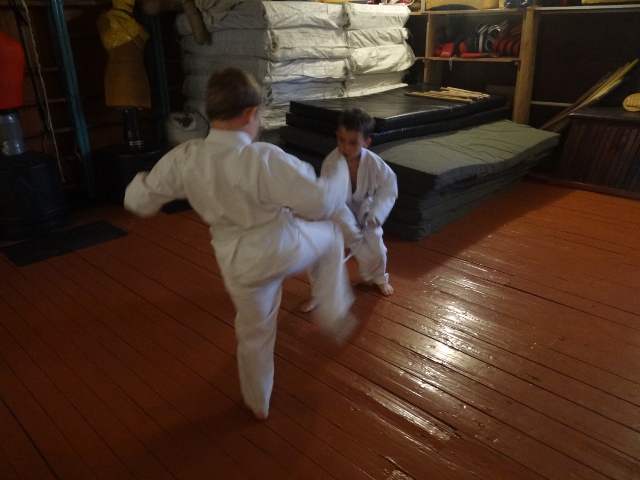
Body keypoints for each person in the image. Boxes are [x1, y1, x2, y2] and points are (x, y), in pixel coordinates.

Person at [124, 67, 356, 421]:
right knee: (330, 236)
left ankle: (258, 402)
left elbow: (138, 201)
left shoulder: (187, 157)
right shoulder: (262, 159)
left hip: (236, 264)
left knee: (254, 333)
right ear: (250, 114)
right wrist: (338, 172)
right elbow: (322, 203)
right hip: (280, 247)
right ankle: (334, 312)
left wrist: (141, 183)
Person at [300, 108, 397, 313]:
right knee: (321, 251)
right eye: (341, 140)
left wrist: (376, 214)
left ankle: (378, 277)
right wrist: (349, 229)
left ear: (366, 142)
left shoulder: (374, 164)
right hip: (336, 215)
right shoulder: (331, 163)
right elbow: (332, 199)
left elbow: (389, 188)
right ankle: (319, 292)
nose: (345, 147)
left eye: (353, 143)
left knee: (376, 246)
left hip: (365, 212)